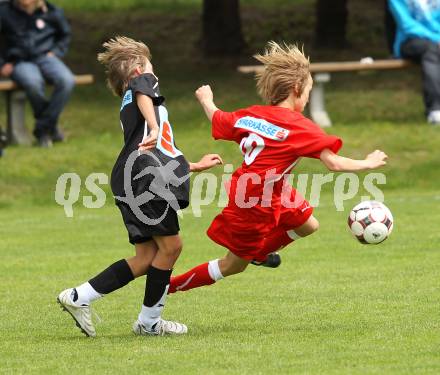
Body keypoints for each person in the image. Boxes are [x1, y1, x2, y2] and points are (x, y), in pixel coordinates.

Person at [167, 42, 388, 300]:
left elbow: (218, 118)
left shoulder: (251, 116)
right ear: (296, 89)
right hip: (253, 202)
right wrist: (367, 163)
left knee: (308, 224)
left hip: (269, 189)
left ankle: (260, 253)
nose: (306, 98)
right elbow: (334, 163)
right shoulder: (298, 126)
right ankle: (167, 287)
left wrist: (207, 100)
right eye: (308, 92)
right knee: (233, 265)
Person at [57, 36, 223, 337]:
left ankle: (79, 297)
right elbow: (147, 104)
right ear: (136, 72)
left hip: (131, 176)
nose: (152, 75)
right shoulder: (142, 84)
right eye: (149, 69)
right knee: (172, 247)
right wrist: (156, 124)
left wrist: (193, 165)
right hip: (145, 178)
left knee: (147, 257)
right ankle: (149, 324)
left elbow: (154, 146)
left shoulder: (129, 103)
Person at [0, 0, 74, 147]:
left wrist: (56, 52)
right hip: (18, 61)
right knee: (33, 82)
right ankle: (49, 129)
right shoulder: (4, 11)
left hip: (46, 57)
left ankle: (43, 128)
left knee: (66, 80)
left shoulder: (52, 11)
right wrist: (2, 64)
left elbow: (65, 35)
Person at [389, 0, 440, 125]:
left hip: (436, 41)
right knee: (431, 49)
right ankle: (435, 110)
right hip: (410, 41)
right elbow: (407, 25)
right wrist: (436, 39)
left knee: (433, 49)